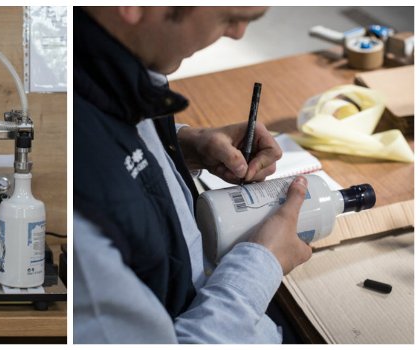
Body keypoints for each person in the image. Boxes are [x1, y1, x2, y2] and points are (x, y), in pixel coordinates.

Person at [74, 6, 313, 343]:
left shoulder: (110, 60)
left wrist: (180, 143)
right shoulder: (81, 233)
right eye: (229, 17)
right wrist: (263, 263)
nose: (238, 33)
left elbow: (114, 133)